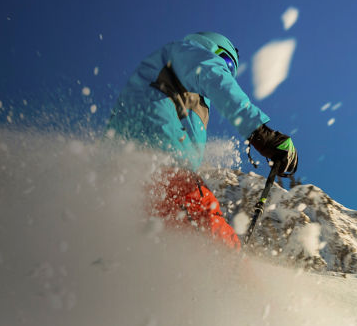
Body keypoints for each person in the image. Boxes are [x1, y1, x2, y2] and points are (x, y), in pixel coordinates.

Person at [107, 31, 298, 248]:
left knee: (166, 251)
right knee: (217, 244)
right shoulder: (188, 53)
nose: (225, 70)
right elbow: (213, 75)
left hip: (125, 182)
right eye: (225, 62)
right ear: (211, 48)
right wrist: (260, 133)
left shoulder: (169, 81)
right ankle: (238, 281)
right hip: (164, 172)